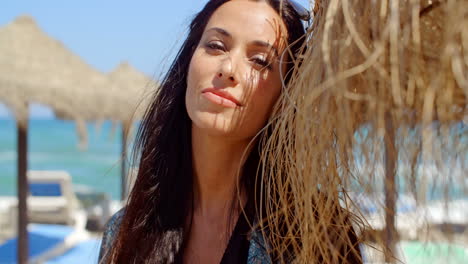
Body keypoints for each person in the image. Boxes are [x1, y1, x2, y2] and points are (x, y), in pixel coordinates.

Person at [98, 0, 362, 263]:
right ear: (188, 62)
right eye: (215, 46)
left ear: (284, 98)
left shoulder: (318, 235)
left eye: (260, 61)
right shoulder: (124, 232)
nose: (227, 69)